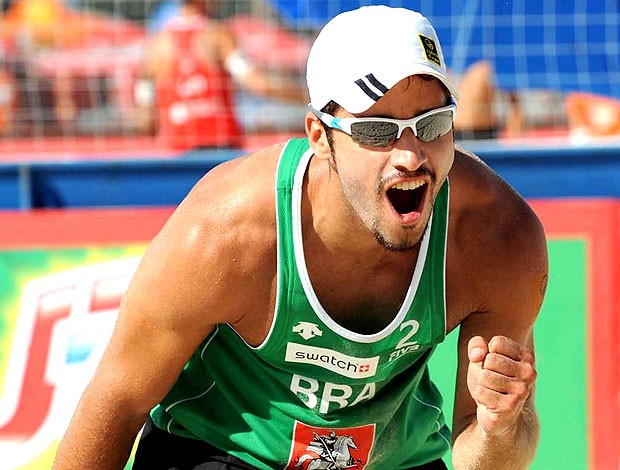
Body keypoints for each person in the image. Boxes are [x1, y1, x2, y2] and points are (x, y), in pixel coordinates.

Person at [53, 5, 547, 470]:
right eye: (377, 130)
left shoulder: (496, 236)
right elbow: (118, 399)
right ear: (318, 134)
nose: (411, 155)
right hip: (223, 448)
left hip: (393, 458)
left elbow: (483, 451)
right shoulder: (228, 230)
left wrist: (498, 428)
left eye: (432, 124)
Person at [134, 0, 307, 150]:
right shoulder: (216, 35)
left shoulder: (156, 45)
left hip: (176, 149)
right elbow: (256, 82)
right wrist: (307, 96)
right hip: (219, 146)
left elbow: (145, 113)